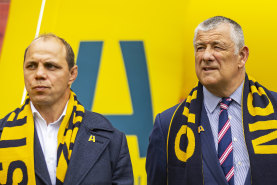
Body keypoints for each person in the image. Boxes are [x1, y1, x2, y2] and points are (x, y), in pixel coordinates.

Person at [146, 16, 277, 185]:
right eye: (200, 48)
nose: (206, 56)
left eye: (217, 47)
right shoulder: (168, 125)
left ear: (242, 56)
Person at [0, 34, 133, 185]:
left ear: (72, 74)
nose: (39, 74)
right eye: (31, 66)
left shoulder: (111, 139)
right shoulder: (3, 133)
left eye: (50, 66)